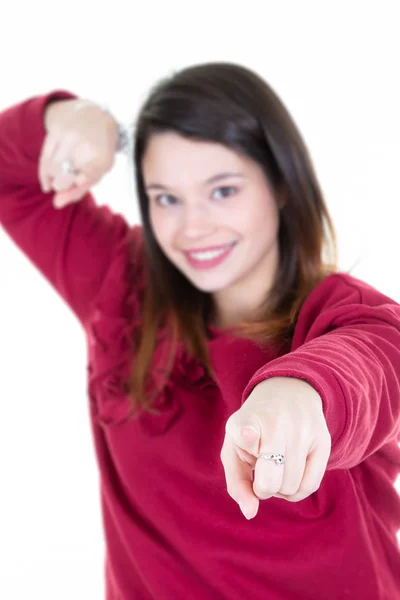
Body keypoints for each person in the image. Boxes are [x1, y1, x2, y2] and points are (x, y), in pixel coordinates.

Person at [0, 62, 399, 600]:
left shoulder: (348, 314)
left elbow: (375, 362)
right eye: (166, 197)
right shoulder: (121, 284)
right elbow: (10, 176)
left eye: (223, 191)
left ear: (281, 184)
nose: (193, 228)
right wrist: (76, 120)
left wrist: (300, 394)